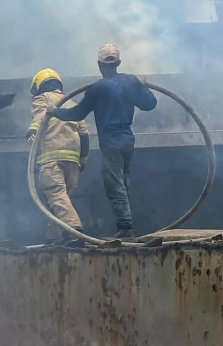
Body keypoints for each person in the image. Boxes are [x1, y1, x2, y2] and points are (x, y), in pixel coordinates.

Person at [49, 44, 157, 239]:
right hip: (127, 142)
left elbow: (77, 113)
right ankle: (126, 225)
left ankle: (125, 228)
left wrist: (55, 112)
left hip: (111, 143)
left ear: (99, 64)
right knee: (123, 183)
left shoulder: (97, 88)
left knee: (115, 185)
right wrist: (142, 86)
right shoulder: (130, 81)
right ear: (119, 63)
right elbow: (150, 104)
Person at [27, 68, 90, 246]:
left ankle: (75, 230)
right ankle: (54, 237)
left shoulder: (42, 98)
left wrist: (31, 130)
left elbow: (40, 116)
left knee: (56, 196)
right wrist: (83, 161)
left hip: (52, 159)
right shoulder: (71, 103)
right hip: (73, 162)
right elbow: (84, 135)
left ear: (38, 86)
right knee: (60, 200)